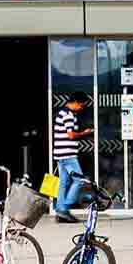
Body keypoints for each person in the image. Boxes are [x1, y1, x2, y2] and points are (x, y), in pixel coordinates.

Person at [52, 91, 94, 222]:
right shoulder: (68, 115)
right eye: (82, 106)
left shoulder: (62, 113)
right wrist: (85, 133)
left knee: (64, 183)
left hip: (60, 154)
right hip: (68, 154)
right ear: (75, 102)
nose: (82, 108)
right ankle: (64, 207)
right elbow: (71, 135)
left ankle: (61, 211)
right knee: (80, 180)